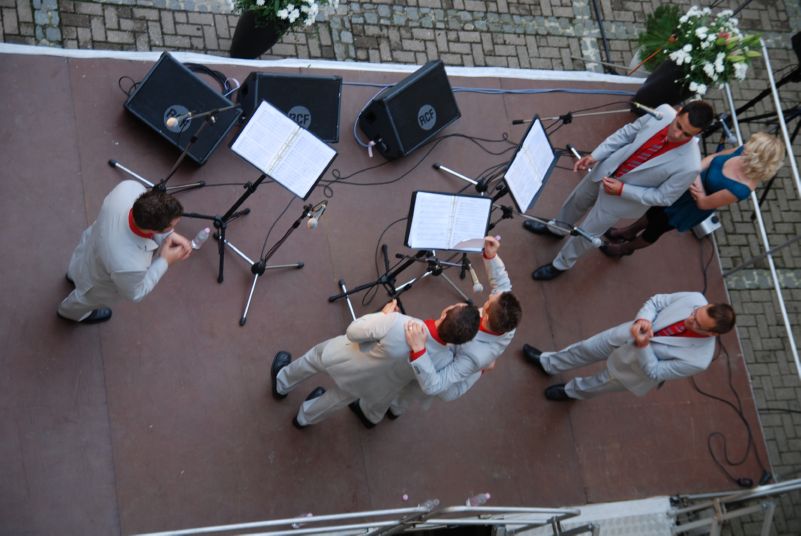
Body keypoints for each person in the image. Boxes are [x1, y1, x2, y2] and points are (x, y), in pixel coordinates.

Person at [526, 101, 715, 281]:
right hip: (605, 170)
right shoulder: (663, 112)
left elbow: (663, 197)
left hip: (622, 200)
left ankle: (561, 264)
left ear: (698, 134)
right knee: (575, 202)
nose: (676, 134)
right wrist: (596, 155)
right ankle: (556, 229)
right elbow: (627, 133)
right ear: (678, 112)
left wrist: (623, 190)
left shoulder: (690, 166)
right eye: (678, 125)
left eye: (686, 134)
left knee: (587, 234)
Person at [270, 300, 480, 429]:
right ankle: (303, 419)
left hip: (344, 359)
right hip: (369, 385)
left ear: (446, 312)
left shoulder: (399, 321)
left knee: (312, 360)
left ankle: (282, 383)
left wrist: (383, 314)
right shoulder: (444, 362)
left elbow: (354, 332)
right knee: (335, 400)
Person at [386, 236, 522, 417]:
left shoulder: (474, 356)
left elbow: (435, 385)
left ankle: (395, 409)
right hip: (462, 357)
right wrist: (491, 256)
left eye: (490, 300)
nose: (491, 294)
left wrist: (419, 351)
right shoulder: (505, 317)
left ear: (486, 314)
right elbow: (502, 284)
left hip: (449, 380)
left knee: (414, 387)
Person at [521, 292, 735, 401]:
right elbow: (657, 301)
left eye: (697, 324)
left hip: (635, 368)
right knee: (585, 348)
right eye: (695, 313)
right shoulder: (695, 298)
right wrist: (643, 319)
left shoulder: (698, 361)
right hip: (625, 334)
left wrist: (643, 345)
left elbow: (654, 372)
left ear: (712, 334)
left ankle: (571, 392)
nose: (690, 319)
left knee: (599, 383)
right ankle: (549, 363)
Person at [601, 131, 786, 257]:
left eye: (751, 147)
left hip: (688, 207)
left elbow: (704, 203)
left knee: (655, 229)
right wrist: (695, 173)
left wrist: (695, 180)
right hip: (686, 185)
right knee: (653, 211)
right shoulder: (741, 151)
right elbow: (713, 157)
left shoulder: (741, 189)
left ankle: (626, 248)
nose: (745, 146)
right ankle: (629, 231)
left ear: (756, 159)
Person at [58, 181, 192, 324]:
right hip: (98, 282)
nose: (174, 228)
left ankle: (72, 276)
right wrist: (165, 261)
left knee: (80, 262)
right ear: (156, 230)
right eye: (172, 226)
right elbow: (136, 293)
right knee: (85, 299)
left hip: (92, 244)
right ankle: (69, 313)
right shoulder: (132, 265)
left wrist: (168, 234)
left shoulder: (129, 187)